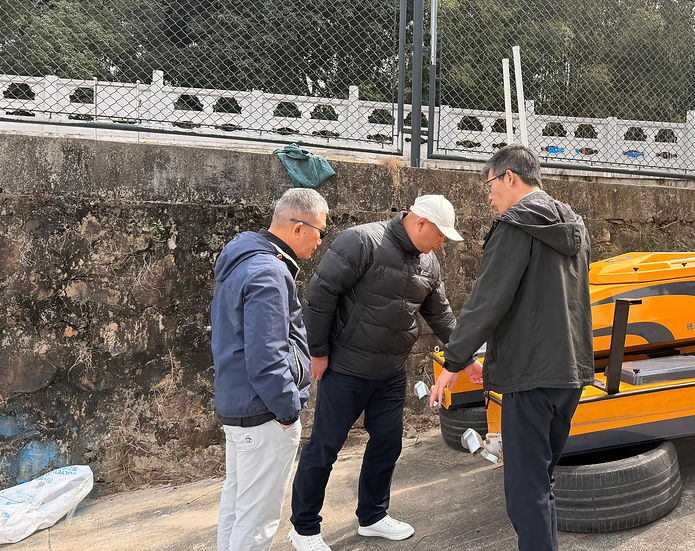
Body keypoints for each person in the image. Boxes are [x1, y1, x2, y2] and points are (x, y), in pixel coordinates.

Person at [288, 195, 482, 551]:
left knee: (387, 444)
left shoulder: (429, 262)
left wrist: (464, 356)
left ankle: (373, 517)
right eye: (440, 235)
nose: (442, 243)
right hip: (346, 368)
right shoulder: (361, 241)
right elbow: (320, 296)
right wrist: (317, 352)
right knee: (325, 447)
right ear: (420, 222)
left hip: (391, 372)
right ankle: (303, 528)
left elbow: (440, 315)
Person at [430, 144, 594, 550]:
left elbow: (488, 299)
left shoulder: (515, 225)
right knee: (542, 482)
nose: (488, 195)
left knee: (525, 492)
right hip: (569, 373)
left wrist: (454, 361)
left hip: (530, 376)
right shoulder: (575, 226)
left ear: (510, 177)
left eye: (490, 184)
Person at [211, 188, 330, 551]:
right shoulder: (269, 272)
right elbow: (267, 355)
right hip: (264, 412)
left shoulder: (243, 261)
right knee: (258, 519)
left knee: (237, 506)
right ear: (298, 228)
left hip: (240, 404)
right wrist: (288, 409)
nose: (320, 241)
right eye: (319, 231)